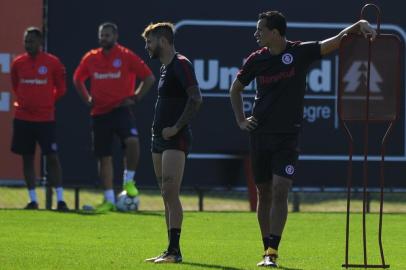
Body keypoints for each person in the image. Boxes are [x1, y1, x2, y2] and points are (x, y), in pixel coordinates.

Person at [229, 11, 376, 267]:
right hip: (260, 135)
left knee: (280, 189)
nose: (256, 35)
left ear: (275, 33)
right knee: (263, 193)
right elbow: (235, 88)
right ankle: (265, 250)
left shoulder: (299, 53)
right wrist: (241, 120)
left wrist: (359, 25)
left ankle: (273, 251)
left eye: (260, 30)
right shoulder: (256, 60)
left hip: (287, 137)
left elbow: (337, 40)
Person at [73, 22, 155, 213]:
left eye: (108, 35)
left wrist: (135, 98)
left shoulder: (125, 55)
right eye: (102, 35)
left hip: (121, 110)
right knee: (104, 157)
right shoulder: (91, 58)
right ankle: (109, 199)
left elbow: (149, 78)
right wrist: (87, 98)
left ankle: (128, 182)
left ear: (115, 37)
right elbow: (77, 78)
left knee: (133, 141)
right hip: (100, 113)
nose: (104, 38)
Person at [142, 22, 202, 263]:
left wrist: (176, 127)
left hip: (175, 139)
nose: (147, 46)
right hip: (158, 139)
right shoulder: (165, 69)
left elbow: (196, 98)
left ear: (163, 41)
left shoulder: (181, 64)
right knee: (165, 195)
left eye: (149, 42)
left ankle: (175, 251)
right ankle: (169, 249)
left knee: (170, 191)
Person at [10, 27, 69, 211]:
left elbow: (61, 88)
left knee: (52, 157)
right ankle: (32, 199)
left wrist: (46, 101)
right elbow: (16, 86)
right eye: (26, 41)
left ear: (40, 42)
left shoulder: (52, 63)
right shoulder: (17, 63)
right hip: (23, 118)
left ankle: (60, 199)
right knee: (27, 158)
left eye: (32, 41)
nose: (28, 44)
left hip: (45, 119)